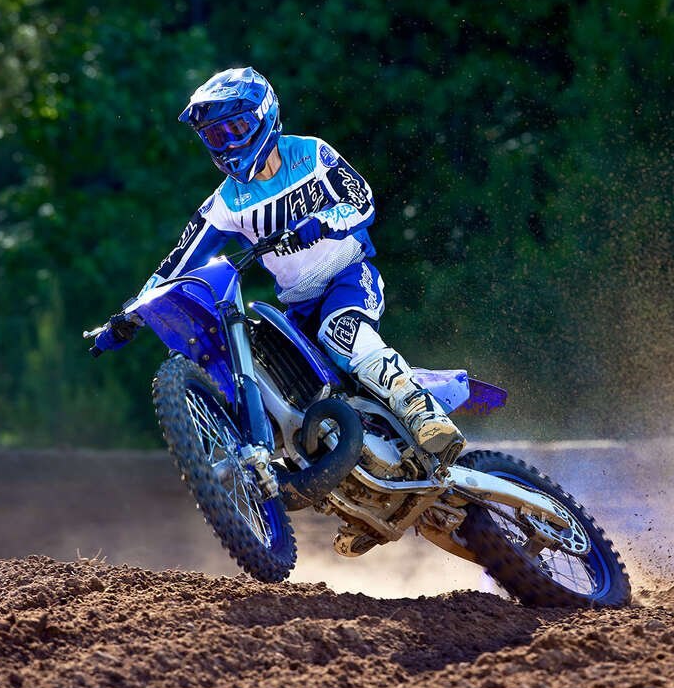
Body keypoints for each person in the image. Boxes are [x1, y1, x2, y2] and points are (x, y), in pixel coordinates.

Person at [107, 67, 464, 462]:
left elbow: (362, 200)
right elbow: (177, 262)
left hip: (348, 275)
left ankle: (423, 413)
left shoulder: (311, 154)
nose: (227, 143)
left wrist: (323, 222)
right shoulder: (225, 203)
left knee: (342, 333)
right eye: (215, 136)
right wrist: (133, 314)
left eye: (235, 128)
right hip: (297, 305)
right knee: (282, 381)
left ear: (265, 116)